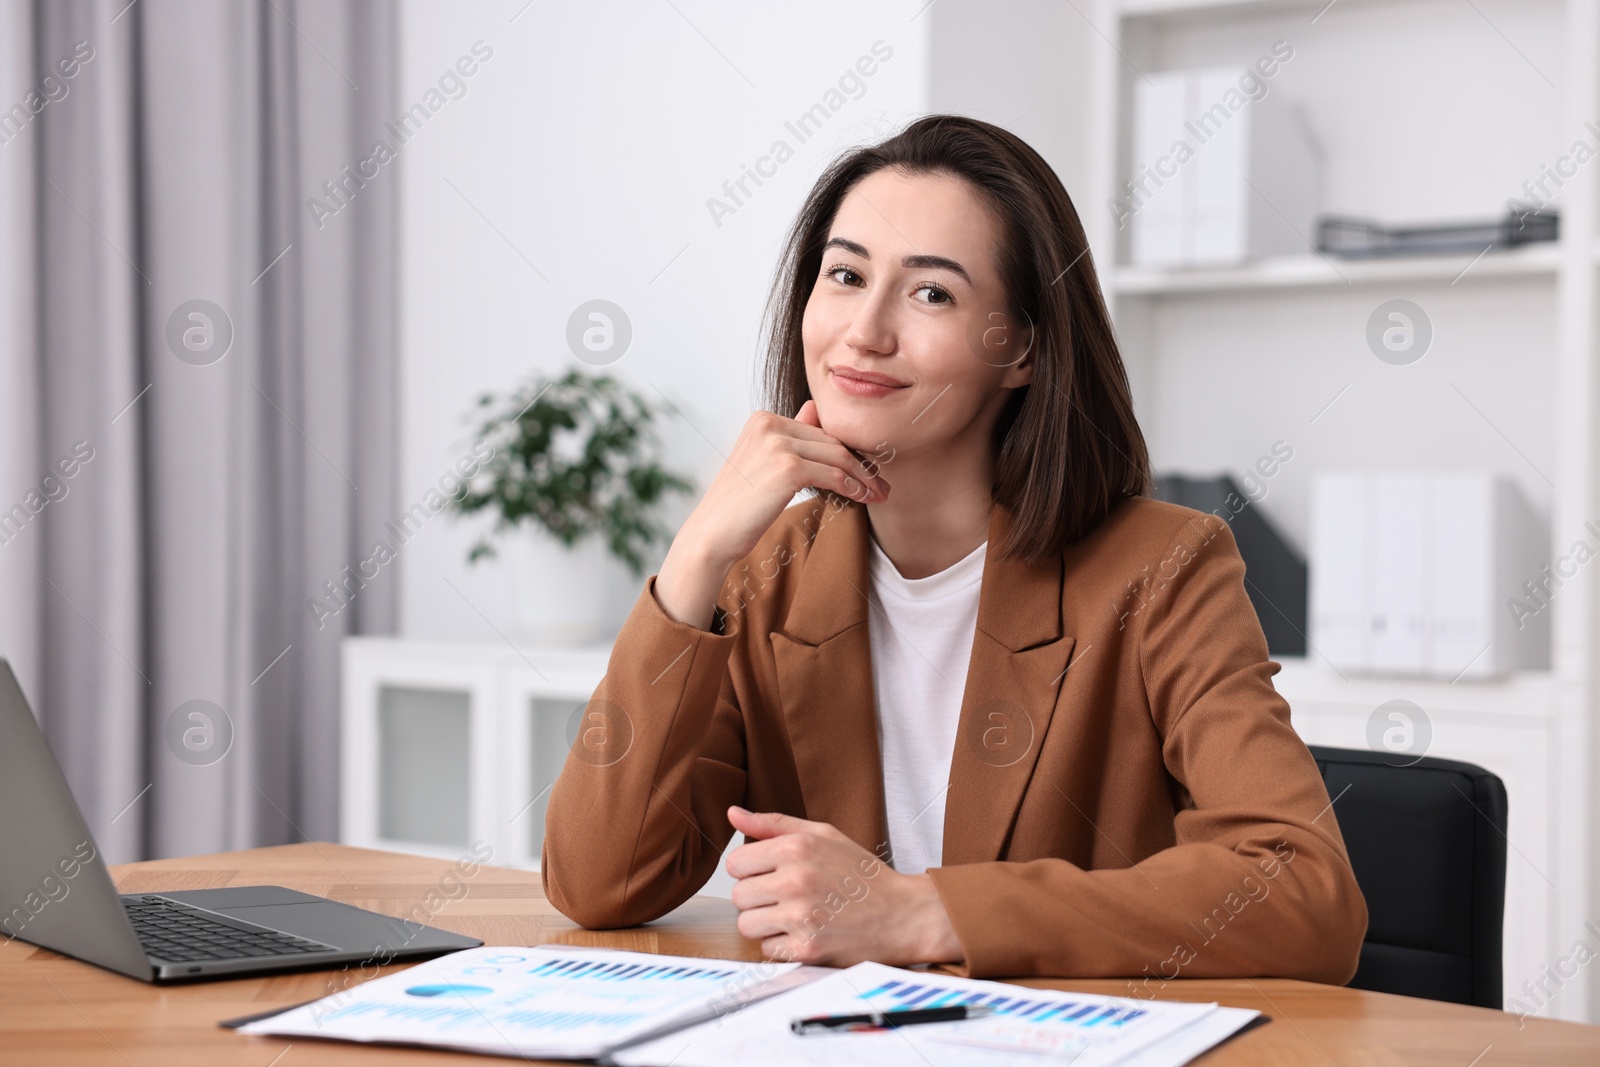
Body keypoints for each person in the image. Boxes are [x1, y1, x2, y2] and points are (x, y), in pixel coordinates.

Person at [542, 114, 1367, 982]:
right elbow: (600, 880)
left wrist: (924, 910)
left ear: (1020, 349)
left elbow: (1304, 892)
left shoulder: (1164, 567)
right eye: (846, 275)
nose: (864, 330)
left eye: (930, 292)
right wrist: (696, 556)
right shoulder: (760, 575)